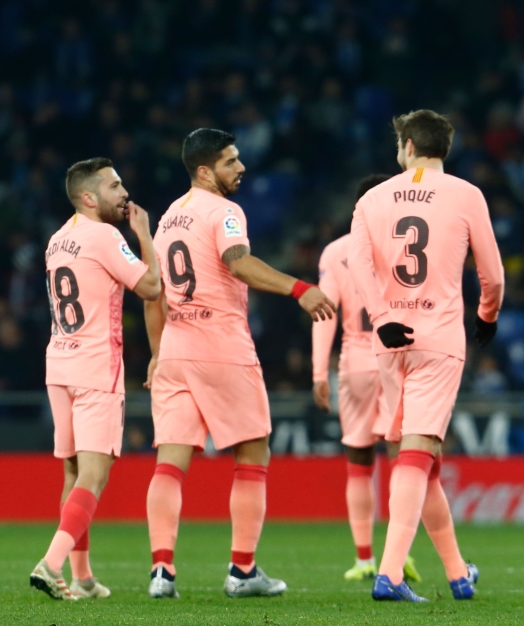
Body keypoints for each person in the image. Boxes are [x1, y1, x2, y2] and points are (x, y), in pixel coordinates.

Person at [143, 128, 336, 599]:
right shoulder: (225, 211)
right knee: (253, 454)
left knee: (170, 462)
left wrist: (155, 354)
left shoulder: (169, 218)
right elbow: (238, 262)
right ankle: (243, 571)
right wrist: (300, 288)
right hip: (220, 345)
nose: (241, 167)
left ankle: (162, 572)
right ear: (205, 170)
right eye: (231, 161)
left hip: (175, 346)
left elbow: (153, 292)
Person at [347, 110, 504, 602]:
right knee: (418, 452)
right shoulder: (466, 194)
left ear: (409, 145)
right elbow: (493, 273)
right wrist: (487, 315)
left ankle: (458, 573)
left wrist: (380, 315)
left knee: (420, 458)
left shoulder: (372, 198)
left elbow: (357, 262)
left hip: (389, 339)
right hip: (438, 337)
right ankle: (390, 574)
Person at [29, 158, 161, 600]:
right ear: (89, 197)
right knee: (94, 475)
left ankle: (82, 577)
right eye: (114, 186)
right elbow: (152, 288)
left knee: (72, 473)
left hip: (59, 364)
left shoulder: (57, 240)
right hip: (94, 368)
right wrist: (144, 234)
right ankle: (50, 564)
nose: (124, 193)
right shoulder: (105, 236)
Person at [311, 174, 421, 584]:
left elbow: (325, 312)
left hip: (356, 361)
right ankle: (400, 555)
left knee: (359, 461)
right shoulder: (406, 242)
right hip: (397, 358)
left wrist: (319, 371)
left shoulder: (337, 252)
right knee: (402, 460)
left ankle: (363, 559)